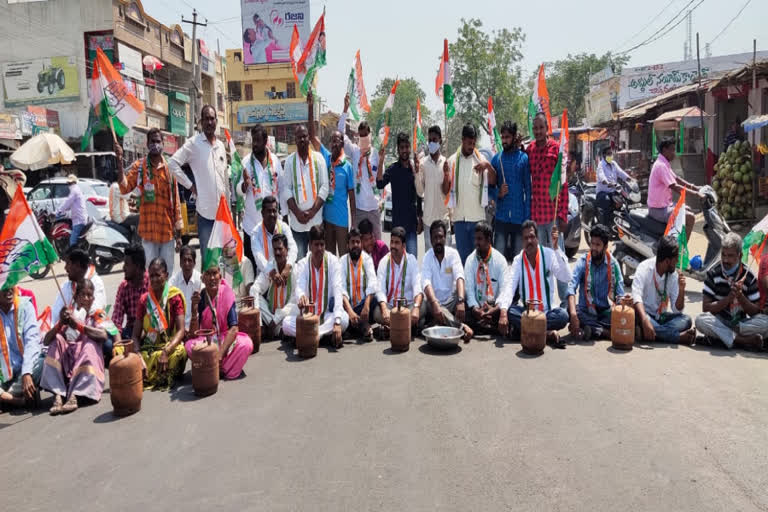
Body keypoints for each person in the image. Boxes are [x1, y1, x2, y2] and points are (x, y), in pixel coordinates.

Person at [41, 279, 117, 415]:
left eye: (89, 295)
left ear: (93, 298)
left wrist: (80, 326)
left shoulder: (98, 314)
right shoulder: (69, 314)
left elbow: (104, 335)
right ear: (76, 297)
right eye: (83, 295)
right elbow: (46, 341)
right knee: (56, 339)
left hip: (87, 358)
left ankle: (77, 394)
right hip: (69, 360)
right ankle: (58, 393)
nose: (86, 299)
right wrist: (60, 325)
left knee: (89, 343)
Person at [115, 129, 182, 275]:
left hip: (167, 232)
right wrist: (119, 162)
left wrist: (179, 233)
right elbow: (124, 188)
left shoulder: (170, 168)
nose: (155, 144)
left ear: (163, 144)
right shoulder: (140, 167)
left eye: (158, 141)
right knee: (150, 275)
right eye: (152, 141)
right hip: (148, 232)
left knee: (167, 275)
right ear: (147, 144)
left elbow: (175, 200)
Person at [170, 105, 230, 257]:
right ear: (201, 122)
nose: (209, 122)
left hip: (223, 215)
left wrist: (229, 210)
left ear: (216, 121)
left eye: (212, 119)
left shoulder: (221, 146)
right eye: (206, 119)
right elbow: (172, 164)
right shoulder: (193, 143)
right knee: (209, 263)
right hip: (206, 215)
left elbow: (225, 180)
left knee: (228, 264)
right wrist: (190, 186)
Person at [695, 233, 768, 350]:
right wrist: (728, 299)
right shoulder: (713, 273)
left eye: (730, 256)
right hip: (719, 321)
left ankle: (723, 336)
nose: (725, 259)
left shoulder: (748, 276)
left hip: (740, 324)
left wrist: (740, 297)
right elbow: (706, 308)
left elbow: (756, 311)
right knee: (700, 320)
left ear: (739, 256)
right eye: (723, 255)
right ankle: (744, 340)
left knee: (766, 322)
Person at [508, 220, 572, 348]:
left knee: (563, 316)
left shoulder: (548, 254)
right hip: (527, 313)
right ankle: (546, 333)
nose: (529, 241)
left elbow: (566, 276)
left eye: (532, 237)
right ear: (522, 241)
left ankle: (529, 330)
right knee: (510, 311)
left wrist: (556, 248)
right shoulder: (518, 260)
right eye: (526, 238)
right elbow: (510, 286)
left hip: (547, 313)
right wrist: (503, 312)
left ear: (537, 238)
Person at [527, 113, 569, 307]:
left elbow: (564, 184)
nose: (538, 131)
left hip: (552, 218)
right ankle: (545, 303)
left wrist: (562, 216)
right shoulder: (530, 150)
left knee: (559, 263)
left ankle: (566, 303)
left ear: (547, 128)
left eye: (541, 128)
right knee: (542, 264)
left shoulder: (556, 150)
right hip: (536, 217)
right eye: (535, 128)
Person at [282, 225, 348, 348]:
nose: (319, 249)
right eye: (316, 245)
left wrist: (337, 322)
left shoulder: (333, 261)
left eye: (322, 245)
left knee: (344, 319)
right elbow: (299, 287)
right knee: (286, 324)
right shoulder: (303, 263)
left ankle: (310, 336)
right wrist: (301, 296)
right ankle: (321, 336)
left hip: (326, 315)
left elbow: (338, 290)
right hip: (307, 316)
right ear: (310, 245)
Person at [186, 265, 253, 380]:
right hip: (207, 339)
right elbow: (193, 334)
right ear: (203, 278)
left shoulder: (226, 293)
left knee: (246, 344)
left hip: (224, 338)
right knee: (189, 346)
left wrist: (220, 355)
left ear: (220, 276)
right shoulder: (200, 297)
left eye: (214, 274)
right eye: (208, 274)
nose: (212, 278)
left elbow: (234, 329)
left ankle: (216, 369)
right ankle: (220, 368)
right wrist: (194, 311)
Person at [308, 93, 355, 255]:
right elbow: (313, 136)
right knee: (328, 258)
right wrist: (311, 107)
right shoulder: (325, 158)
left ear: (342, 144)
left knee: (343, 259)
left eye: (338, 141)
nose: (334, 143)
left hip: (342, 221)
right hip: (326, 219)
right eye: (332, 140)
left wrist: (353, 224)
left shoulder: (347, 166)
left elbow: (352, 197)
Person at [131, 257, 187, 389]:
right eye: (151, 276)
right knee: (120, 350)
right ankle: (157, 374)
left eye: (158, 275)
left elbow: (181, 331)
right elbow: (135, 335)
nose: (154, 279)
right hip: (150, 348)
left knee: (180, 352)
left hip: (169, 347)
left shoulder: (174, 296)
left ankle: (146, 376)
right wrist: (138, 356)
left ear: (166, 275)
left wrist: (166, 352)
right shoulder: (144, 300)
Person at [444, 124, 496, 263]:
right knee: (463, 261)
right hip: (460, 219)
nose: (471, 146)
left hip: (477, 220)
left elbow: (492, 181)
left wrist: (488, 167)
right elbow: (446, 190)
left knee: (478, 260)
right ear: (462, 140)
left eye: (473, 143)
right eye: (469, 142)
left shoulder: (481, 161)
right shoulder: (452, 161)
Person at [631, 236, 696, 345]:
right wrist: (645, 320)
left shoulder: (673, 275)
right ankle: (677, 337)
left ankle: (651, 332)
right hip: (644, 314)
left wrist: (682, 290)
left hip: (661, 317)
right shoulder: (644, 268)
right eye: (676, 259)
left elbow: (677, 310)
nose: (677, 262)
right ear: (667, 261)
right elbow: (636, 296)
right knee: (641, 318)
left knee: (686, 320)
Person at [566, 223, 626, 341]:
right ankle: (602, 332)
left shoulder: (613, 264)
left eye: (598, 245)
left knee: (624, 318)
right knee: (569, 310)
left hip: (605, 313)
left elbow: (620, 295)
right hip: (586, 311)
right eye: (592, 244)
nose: (593, 248)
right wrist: (573, 315)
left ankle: (589, 329)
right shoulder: (583, 261)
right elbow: (571, 288)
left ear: (605, 246)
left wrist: (622, 307)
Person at [279, 124, 329, 259]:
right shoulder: (289, 162)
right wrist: (297, 213)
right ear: (295, 140)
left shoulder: (319, 159)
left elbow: (325, 187)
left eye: (305, 136)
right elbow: (287, 189)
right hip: (297, 223)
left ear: (308, 138)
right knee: (300, 261)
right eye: (299, 137)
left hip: (316, 221)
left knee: (317, 259)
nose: (302, 140)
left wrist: (312, 212)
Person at [237, 124, 283, 270]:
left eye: (258, 140)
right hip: (251, 227)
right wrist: (244, 185)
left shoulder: (275, 161)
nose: (255, 144)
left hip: (272, 227)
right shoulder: (245, 163)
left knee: (272, 267)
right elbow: (237, 190)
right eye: (253, 140)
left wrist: (284, 217)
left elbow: (282, 188)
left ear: (265, 141)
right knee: (252, 268)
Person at [338, 92, 382, 239]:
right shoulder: (355, 152)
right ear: (358, 136)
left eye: (365, 135)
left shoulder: (376, 154)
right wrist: (345, 109)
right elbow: (340, 134)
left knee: (377, 244)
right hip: (359, 209)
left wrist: (381, 199)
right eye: (360, 135)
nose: (363, 138)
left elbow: (380, 180)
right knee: (358, 245)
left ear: (370, 135)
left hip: (374, 208)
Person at [421, 220, 472, 339]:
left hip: (452, 300)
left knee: (465, 292)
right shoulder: (427, 257)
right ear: (431, 239)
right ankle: (461, 327)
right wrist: (434, 303)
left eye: (441, 237)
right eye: (435, 237)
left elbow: (460, 276)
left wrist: (460, 301)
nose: (438, 241)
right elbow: (426, 283)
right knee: (430, 304)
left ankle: (438, 322)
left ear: (445, 237)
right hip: (433, 302)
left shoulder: (453, 254)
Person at [647, 139, 703, 242]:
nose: (674, 153)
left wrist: (695, 187)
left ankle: (676, 240)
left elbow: (677, 178)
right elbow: (675, 186)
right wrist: (696, 194)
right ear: (664, 150)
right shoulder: (661, 166)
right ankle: (680, 250)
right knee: (690, 217)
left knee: (688, 209)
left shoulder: (664, 163)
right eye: (672, 150)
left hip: (666, 205)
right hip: (658, 210)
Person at [490, 121, 531, 260]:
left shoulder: (523, 159)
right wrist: (498, 193)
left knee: (518, 261)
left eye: (507, 137)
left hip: (519, 218)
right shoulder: (497, 159)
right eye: (502, 137)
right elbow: (489, 188)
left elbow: (528, 189)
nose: (504, 141)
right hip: (501, 217)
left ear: (514, 137)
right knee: (498, 260)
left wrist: (526, 217)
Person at [373, 226, 424, 337]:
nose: (393, 246)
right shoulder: (384, 261)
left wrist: (415, 307)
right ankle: (408, 328)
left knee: (422, 305)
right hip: (391, 308)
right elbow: (379, 289)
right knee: (377, 312)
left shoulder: (411, 260)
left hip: (408, 306)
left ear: (404, 246)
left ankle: (391, 329)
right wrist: (384, 308)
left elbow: (417, 287)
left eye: (397, 243)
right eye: (392, 242)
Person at [377, 133, 422, 256]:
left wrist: (420, 218)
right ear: (398, 149)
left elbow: (419, 195)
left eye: (407, 147)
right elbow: (380, 184)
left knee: (412, 261)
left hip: (412, 225)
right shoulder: (393, 169)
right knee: (397, 263)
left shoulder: (414, 169)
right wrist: (381, 161)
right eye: (402, 147)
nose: (405, 150)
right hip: (397, 226)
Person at [464, 221, 511, 336]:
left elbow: (505, 290)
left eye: (480, 239)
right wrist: (475, 308)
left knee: (511, 309)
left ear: (489, 240)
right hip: (476, 310)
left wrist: (495, 309)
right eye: (475, 239)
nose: (476, 243)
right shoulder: (470, 260)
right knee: (460, 310)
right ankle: (488, 326)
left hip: (495, 309)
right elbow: (469, 290)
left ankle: (483, 326)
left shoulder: (500, 260)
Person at [0, 286, 42, 409]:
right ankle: (16, 400)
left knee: (43, 362)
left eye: (11, 285)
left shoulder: (25, 306)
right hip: (3, 373)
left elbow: (32, 342)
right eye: (3, 287)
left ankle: (4, 398)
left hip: (24, 370)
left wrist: (26, 372)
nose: (8, 290)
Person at [250, 234, 298, 339]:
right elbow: (255, 289)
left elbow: (294, 300)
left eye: (280, 249)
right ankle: (273, 329)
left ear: (287, 250)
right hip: (270, 315)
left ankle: (277, 328)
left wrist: (275, 321)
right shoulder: (270, 268)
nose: (277, 253)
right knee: (254, 293)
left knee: (298, 304)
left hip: (286, 315)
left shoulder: (295, 270)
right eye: (275, 249)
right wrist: (259, 323)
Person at [52, 249, 106, 332]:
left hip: (92, 331)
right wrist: (62, 316)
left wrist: (74, 317)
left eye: (67, 263)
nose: (65, 268)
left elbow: (95, 310)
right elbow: (55, 315)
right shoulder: (66, 285)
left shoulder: (96, 282)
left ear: (77, 265)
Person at [415, 125, 451, 251]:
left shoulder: (447, 163)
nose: (431, 143)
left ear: (440, 141)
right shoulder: (423, 164)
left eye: (434, 140)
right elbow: (420, 192)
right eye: (429, 140)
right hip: (428, 221)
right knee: (430, 258)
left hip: (443, 219)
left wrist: (446, 174)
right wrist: (416, 172)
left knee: (446, 259)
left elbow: (446, 191)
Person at [339, 228, 379, 342]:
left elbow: (373, 283)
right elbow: (340, 289)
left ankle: (353, 328)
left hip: (363, 307)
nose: (355, 245)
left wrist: (366, 306)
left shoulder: (367, 259)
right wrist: (350, 312)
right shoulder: (342, 261)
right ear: (347, 245)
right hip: (348, 307)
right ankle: (363, 326)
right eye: (352, 242)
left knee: (376, 300)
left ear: (361, 244)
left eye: (358, 242)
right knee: (333, 303)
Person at [250, 195, 297, 274]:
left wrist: (288, 266)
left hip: (284, 272)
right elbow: (258, 257)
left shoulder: (284, 227)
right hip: (265, 275)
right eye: (268, 211)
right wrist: (271, 272)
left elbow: (293, 248)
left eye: (274, 211)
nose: (272, 214)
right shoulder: (255, 233)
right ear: (262, 213)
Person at [112, 244, 148, 342]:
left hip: (151, 329)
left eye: (127, 264)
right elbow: (116, 321)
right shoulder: (123, 287)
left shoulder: (152, 283)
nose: (123, 268)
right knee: (107, 343)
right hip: (131, 331)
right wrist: (119, 346)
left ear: (137, 266)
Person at [168, 245, 202, 330]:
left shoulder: (200, 280)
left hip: (197, 326)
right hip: (178, 327)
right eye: (184, 260)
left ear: (194, 263)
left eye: (190, 260)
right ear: (180, 263)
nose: (186, 264)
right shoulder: (173, 282)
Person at [596, 146, 632, 226]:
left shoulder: (613, 164)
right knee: (607, 201)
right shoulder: (601, 165)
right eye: (608, 154)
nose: (610, 155)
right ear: (604, 155)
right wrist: (607, 182)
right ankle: (605, 226)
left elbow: (621, 172)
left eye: (611, 153)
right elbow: (602, 176)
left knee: (624, 201)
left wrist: (630, 179)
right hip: (603, 192)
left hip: (613, 191)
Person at [56, 174, 87, 248]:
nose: (69, 185)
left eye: (70, 183)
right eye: (68, 183)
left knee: (72, 241)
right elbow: (69, 206)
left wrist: (57, 211)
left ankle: (74, 256)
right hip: (79, 218)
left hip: (79, 220)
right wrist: (62, 212)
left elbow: (67, 202)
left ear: (74, 183)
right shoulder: (77, 190)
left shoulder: (74, 191)